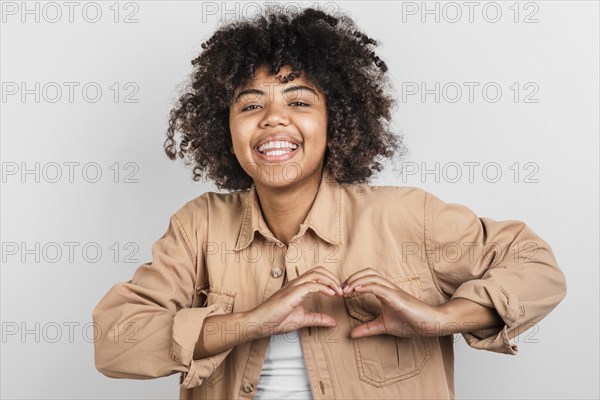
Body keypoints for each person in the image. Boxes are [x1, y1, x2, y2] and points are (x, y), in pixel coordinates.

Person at [92, 6, 567, 400]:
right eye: (251, 105)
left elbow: (537, 266)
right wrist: (248, 323)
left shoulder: (406, 215)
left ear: (336, 120)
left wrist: (442, 318)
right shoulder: (200, 225)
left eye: (299, 102)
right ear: (226, 129)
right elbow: (114, 341)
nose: (274, 120)